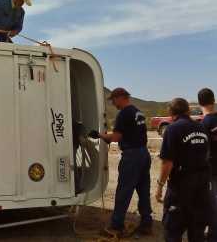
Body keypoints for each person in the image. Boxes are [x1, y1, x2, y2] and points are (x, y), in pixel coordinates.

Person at [89, 87, 152, 236]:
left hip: (132, 156)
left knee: (124, 190)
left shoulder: (123, 114)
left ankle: (116, 226)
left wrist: (100, 135)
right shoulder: (138, 112)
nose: (113, 104)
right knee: (143, 190)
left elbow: (116, 137)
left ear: (120, 97)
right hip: (144, 153)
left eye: (113, 100)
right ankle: (146, 223)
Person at [156, 98, 210, 242]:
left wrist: (160, 186)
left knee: (173, 229)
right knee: (197, 229)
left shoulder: (172, 129)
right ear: (187, 110)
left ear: (171, 113)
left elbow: (167, 163)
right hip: (202, 186)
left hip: (181, 186)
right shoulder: (201, 127)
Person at [198, 88, 217, 241]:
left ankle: (212, 236)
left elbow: (202, 152)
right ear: (214, 100)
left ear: (199, 103)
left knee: (210, 203)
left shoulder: (204, 124)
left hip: (212, 170)